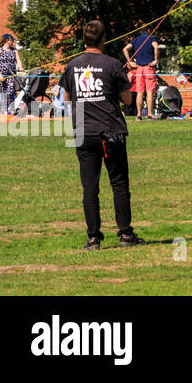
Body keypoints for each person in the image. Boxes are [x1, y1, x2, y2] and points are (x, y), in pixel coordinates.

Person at [59, 20, 143, 250]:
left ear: (84, 39)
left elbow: (66, 100)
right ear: (104, 39)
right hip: (110, 132)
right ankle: (125, 234)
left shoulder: (72, 65)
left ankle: (93, 238)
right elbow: (127, 100)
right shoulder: (113, 64)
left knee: (89, 187)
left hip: (82, 132)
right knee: (119, 184)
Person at [123, 29, 160, 120]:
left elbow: (125, 49)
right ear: (148, 30)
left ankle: (139, 115)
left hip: (139, 69)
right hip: (149, 68)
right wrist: (156, 60)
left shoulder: (136, 39)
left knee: (139, 92)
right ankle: (149, 115)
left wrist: (130, 61)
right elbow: (156, 47)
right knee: (149, 92)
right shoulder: (151, 38)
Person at [0, 33, 22, 116]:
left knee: (10, 92)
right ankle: (4, 112)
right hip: (1, 74)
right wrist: (0, 75)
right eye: (10, 40)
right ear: (6, 40)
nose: (12, 41)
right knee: (3, 93)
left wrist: (21, 68)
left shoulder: (14, 50)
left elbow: (18, 61)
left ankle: (12, 110)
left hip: (11, 74)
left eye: (12, 40)